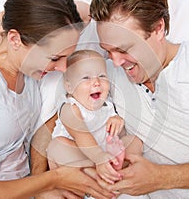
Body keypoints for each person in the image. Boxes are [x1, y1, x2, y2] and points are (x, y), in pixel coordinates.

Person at [0, 0, 114, 198]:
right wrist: (53, 180)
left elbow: (88, 13)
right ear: (15, 40)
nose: (62, 68)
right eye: (54, 58)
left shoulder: (29, 72)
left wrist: (8, 17)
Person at [89, 0, 189, 198]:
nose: (116, 62)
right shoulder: (105, 77)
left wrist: (162, 177)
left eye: (124, 49)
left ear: (158, 28)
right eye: (108, 51)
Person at [46, 50, 143, 184]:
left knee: (134, 141)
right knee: (56, 147)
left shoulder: (107, 104)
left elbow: (117, 136)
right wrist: (99, 158)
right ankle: (99, 176)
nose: (97, 82)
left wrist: (117, 121)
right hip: (79, 159)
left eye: (102, 76)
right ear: (69, 87)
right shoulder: (70, 108)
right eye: (86, 78)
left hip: (103, 155)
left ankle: (113, 171)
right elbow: (82, 136)